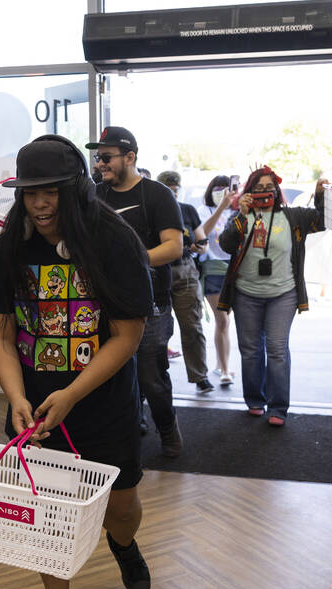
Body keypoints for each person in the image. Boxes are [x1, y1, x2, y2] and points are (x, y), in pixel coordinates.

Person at [0, 135, 153, 589]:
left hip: (102, 402)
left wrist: (73, 392)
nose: (40, 204)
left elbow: (128, 334)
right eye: (30, 193)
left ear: (75, 188)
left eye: (51, 191)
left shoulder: (111, 238)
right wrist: (15, 396)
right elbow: (0, 337)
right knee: (46, 514)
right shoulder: (11, 243)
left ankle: (122, 543)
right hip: (37, 412)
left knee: (119, 509)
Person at [86, 127, 184, 457]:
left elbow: (173, 247)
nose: (100, 163)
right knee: (113, 375)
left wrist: (131, 260)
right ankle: (132, 422)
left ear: (130, 157)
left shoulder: (158, 195)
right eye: (98, 157)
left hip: (150, 303)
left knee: (151, 375)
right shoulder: (95, 196)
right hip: (104, 302)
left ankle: (168, 428)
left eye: (107, 157)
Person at [218, 166, 327, 426]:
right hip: (246, 293)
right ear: (248, 192)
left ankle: (278, 408)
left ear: (277, 191)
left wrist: (321, 195)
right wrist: (240, 214)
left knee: (277, 350)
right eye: (258, 189)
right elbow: (225, 244)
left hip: (283, 294)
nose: (264, 193)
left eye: (269, 188)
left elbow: (322, 221)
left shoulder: (293, 216)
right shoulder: (242, 216)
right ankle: (255, 400)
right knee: (251, 350)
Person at [156, 170, 212, 393]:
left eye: (176, 190)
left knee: (192, 326)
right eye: (168, 190)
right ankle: (156, 380)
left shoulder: (187, 210)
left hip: (184, 271)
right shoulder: (153, 211)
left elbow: (203, 242)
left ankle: (200, 375)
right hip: (158, 272)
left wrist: (198, 247)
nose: (173, 193)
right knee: (158, 331)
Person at [198, 176, 239, 386]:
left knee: (224, 321)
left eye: (226, 188)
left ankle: (221, 363)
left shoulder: (238, 211)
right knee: (222, 320)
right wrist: (221, 206)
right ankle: (224, 369)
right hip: (213, 269)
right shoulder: (204, 210)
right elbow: (202, 233)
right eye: (218, 188)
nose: (222, 191)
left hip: (234, 270)